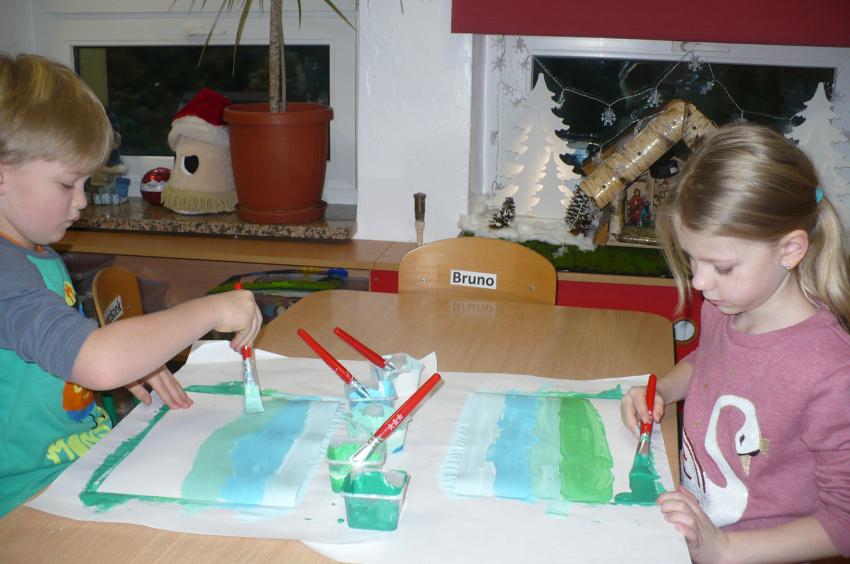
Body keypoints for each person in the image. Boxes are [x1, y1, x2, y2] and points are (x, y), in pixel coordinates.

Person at [0, 53, 263, 517]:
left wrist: (135, 356)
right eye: (67, 184)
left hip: (76, 465)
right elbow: (96, 362)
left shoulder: (34, 250)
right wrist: (211, 309)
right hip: (26, 502)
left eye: (86, 183)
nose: (81, 201)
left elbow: (67, 351)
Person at [620, 122, 850, 563]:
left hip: (751, 551)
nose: (700, 283)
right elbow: (708, 363)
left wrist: (726, 551)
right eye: (692, 260)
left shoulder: (832, 374)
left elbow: (843, 519)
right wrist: (662, 390)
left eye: (721, 267)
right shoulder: (728, 307)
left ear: (790, 250)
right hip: (692, 524)